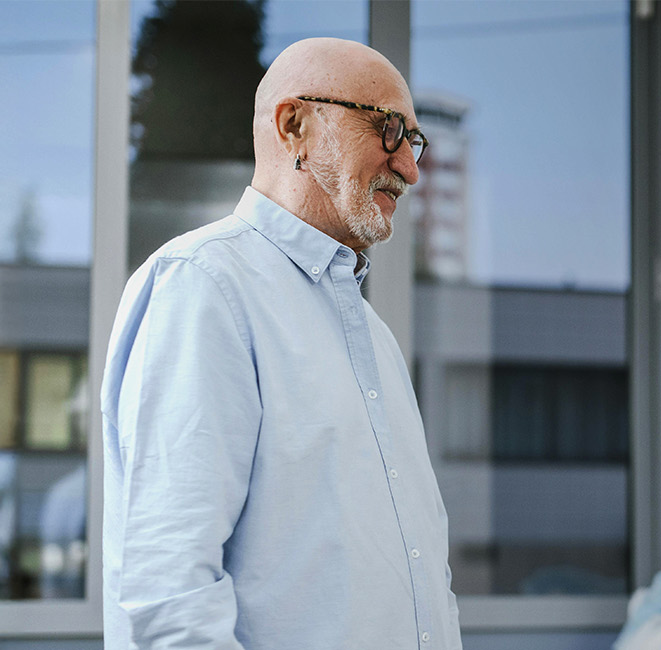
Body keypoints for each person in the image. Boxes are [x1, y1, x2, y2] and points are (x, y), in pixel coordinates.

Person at [99, 37, 456, 649]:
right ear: (296, 125)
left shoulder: (375, 340)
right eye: (390, 130)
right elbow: (169, 590)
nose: (410, 168)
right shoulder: (205, 285)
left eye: (415, 140)